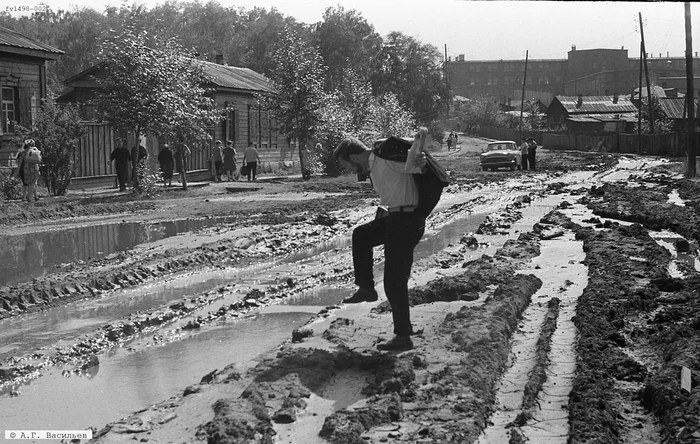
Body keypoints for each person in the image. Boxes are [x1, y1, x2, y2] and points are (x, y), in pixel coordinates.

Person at [332, 127, 429, 352]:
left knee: (394, 281)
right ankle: (366, 288)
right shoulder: (375, 163)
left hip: (406, 221)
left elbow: (414, 165)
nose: (347, 169)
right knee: (362, 234)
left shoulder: (384, 158)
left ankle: (403, 336)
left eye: (346, 164)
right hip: (396, 217)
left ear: (354, 156)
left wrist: (418, 155)